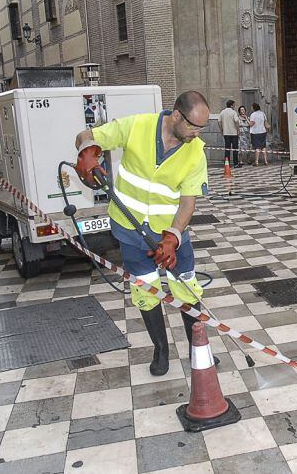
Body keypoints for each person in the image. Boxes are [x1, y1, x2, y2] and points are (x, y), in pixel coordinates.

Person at [74, 91, 211, 377]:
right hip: (131, 231)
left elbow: (188, 202)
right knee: (146, 291)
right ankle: (161, 350)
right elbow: (87, 134)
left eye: (202, 128)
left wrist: (172, 237)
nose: (197, 134)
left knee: (187, 288)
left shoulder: (195, 150)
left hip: (172, 236)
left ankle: (197, 348)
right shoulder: (137, 126)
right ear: (176, 115)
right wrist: (87, 153)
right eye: (193, 127)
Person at [219, 99, 241, 167]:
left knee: (227, 148)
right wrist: (238, 130)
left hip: (226, 133)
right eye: (234, 105)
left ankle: (227, 163)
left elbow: (219, 121)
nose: (234, 106)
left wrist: (221, 130)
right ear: (231, 105)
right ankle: (235, 163)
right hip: (234, 133)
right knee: (235, 149)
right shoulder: (233, 112)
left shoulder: (222, 112)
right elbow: (236, 121)